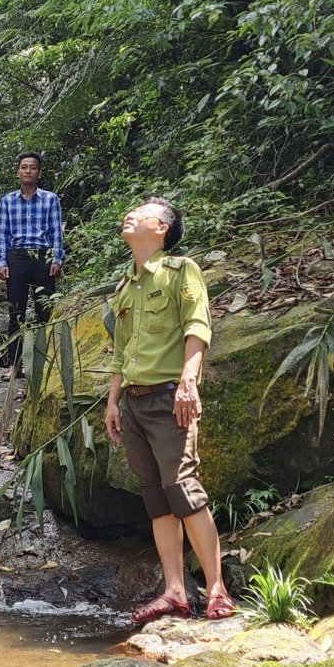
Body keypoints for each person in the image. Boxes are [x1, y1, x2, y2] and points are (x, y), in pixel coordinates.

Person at [103, 197, 233, 624]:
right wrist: (113, 401)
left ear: (162, 228)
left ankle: (216, 589)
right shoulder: (124, 287)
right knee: (157, 499)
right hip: (135, 403)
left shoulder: (182, 271)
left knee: (183, 487)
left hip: (169, 396)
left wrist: (188, 382)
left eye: (141, 211)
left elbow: (198, 326)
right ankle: (175, 591)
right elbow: (121, 351)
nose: (131, 214)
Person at [0, 152, 65, 373]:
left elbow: (56, 232)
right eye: (24, 167)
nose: (28, 171)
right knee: (16, 312)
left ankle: (45, 363)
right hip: (17, 257)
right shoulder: (7, 201)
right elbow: (3, 233)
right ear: (18, 172)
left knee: (44, 310)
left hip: (43, 257)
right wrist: (2, 262)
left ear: (39, 172)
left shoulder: (50, 199)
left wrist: (57, 258)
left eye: (32, 167)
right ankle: (14, 364)